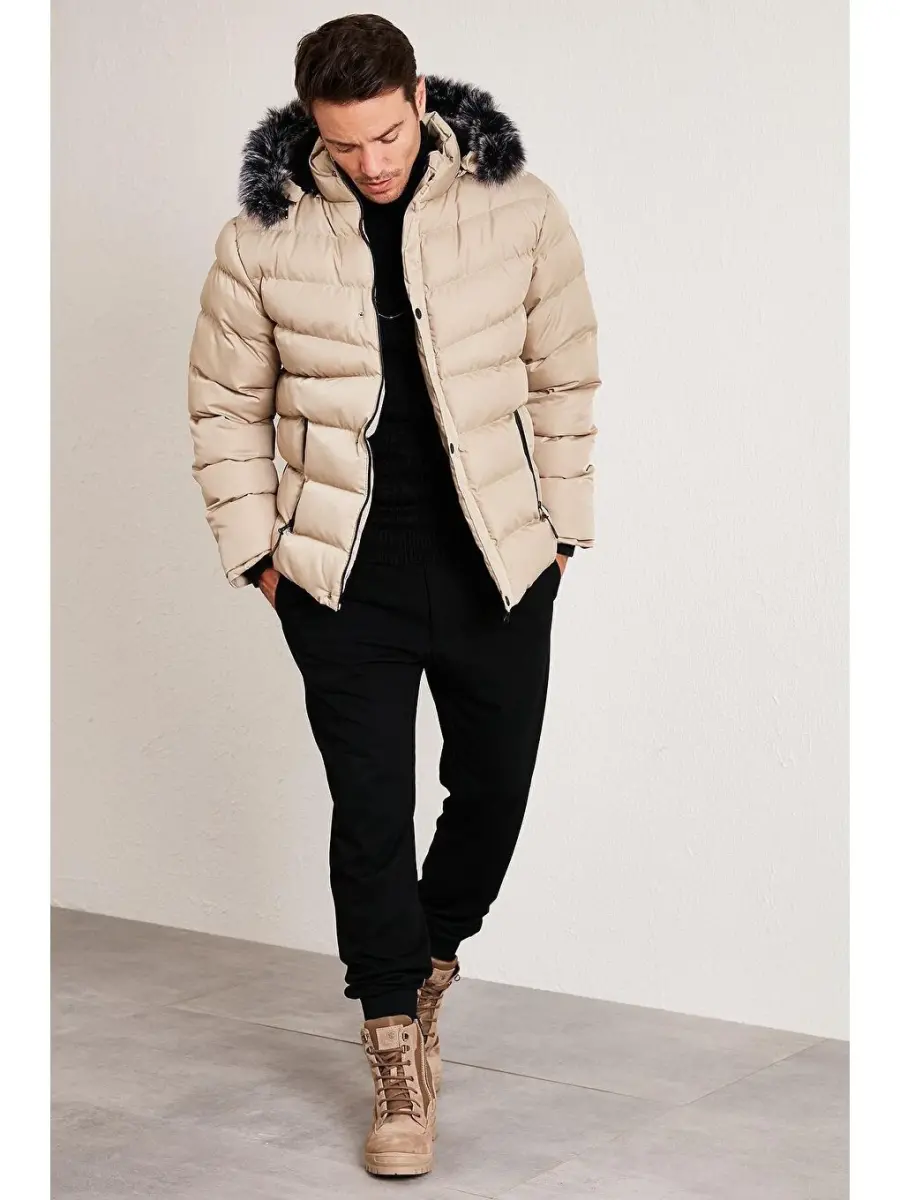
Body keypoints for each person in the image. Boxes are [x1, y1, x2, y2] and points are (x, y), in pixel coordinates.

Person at [187, 12, 600, 1177]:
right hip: (341, 576)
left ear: (419, 99)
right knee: (369, 812)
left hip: (495, 563)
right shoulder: (261, 238)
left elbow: (566, 373)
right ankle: (393, 1056)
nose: (371, 162)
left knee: (495, 790)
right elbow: (223, 403)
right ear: (310, 126)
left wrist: (562, 531)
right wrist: (259, 554)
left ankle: (426, 962)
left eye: (386, 134)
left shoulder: (520, 210)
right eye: (344, 143)